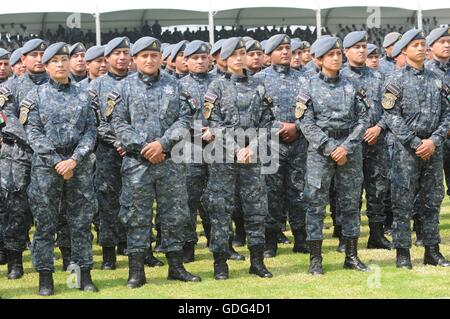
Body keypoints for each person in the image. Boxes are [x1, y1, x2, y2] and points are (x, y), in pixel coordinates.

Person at [111, 36, 201, 287]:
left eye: (154, 55)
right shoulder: (123, 88)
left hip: (169, 161)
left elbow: (185, 120)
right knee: (136, 215)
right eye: (143, 56)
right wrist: (144, 148)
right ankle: (137, 271)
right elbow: (118, 123)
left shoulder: (177, 86)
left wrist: (163, 144)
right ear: (134, 59)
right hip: (137, 163)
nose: (149, 60)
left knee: (174, 215)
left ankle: (176, 267)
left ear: (161, 57)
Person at [24, 42, 98, 296]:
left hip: (79, 168)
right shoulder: (35, 96)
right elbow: (33, 133)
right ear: (46, 66)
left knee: (80, 224)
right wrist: (57, 161)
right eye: (54, 61)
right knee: (45, 224)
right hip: (47, 169)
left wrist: (74, 160)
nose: (60, 64)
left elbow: (91, 132)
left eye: (63, 60)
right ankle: (46, 278)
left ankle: (83, 274)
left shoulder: (83, 94)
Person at [297, 36, 370, 275]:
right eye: (331, 55)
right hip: (321, 152)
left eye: (338, 54)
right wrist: (330, 147)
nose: (337, 58)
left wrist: (346, 148)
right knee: (315, 204)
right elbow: (305, 123)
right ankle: (315, 259)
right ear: (319, 59)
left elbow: (363, 118)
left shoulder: (353, 84)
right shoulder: (308, 85)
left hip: (349, 151)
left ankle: (351, 255)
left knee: (350, 203)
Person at [203, 37, 274, 280]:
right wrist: (235, 149)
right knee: (221, 210)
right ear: (224, 58)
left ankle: (257, 261)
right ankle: (220, 264)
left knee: (256, 209)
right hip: (223, 158)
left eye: (242, 53)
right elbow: (213, 123)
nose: (238, 58)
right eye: (233, 55)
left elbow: (267, 122)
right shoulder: (216, 87)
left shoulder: (259, 85)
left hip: (252, 158)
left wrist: (252, 148)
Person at [383, 29, 450, 269]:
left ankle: (432, 251)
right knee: (403, 203)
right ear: (404, 50)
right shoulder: (395, 80)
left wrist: (434, 140)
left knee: (432, 201)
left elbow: (447, 113)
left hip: (433, 147)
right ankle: (403, 253)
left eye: (423, 44)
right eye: (415, 45)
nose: (421, 48)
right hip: (405, 151)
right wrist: (415, 142)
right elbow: (391, 115)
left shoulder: (436, 79)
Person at [255, 34, 309, 256]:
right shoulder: (258, 80)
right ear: (269, 55)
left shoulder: (305, 79)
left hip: (299, 144)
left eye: (288, 48)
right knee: (271, 193)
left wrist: (296, 127)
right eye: (280, 49)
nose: (286, 52)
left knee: (299, 192)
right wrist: (279, 127)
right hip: (270, 145)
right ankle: (271, 240)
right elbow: (256, 114)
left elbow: (312, 111)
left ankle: (301, 238)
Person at [0, 39, 48, 280]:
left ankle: (53, 260)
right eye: (34, 55)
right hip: (18, 156)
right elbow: (7, 121)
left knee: (50, 209)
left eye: (42, 54)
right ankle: (15, 261)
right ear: (23, 60)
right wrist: (39, 141)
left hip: (49, 158)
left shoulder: (57, 85)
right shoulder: (9, 88)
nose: (39, 59)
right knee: (16, 209)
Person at [341, 31, 391, 250]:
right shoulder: (339, 77)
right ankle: (346, 237)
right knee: (349, 191)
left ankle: (377, 235)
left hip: (376, 142)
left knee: (377, 188)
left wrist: (379, 127)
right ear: (346, 52)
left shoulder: (379, 77)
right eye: (357, 47)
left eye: (364, 47)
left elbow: (391, 109)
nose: (362, 51)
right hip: (350, 143)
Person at [89, 37, 130, 270]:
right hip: (107, 153)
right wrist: (119, 142)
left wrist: (133, 144)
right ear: (108, 58)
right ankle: (108, 253)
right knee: (107, 202)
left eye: (126, 52)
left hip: (136, 152)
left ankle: (136, 248)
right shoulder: (97, 86)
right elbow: (97, 122)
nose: (122, 57)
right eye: (117, 53)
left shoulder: (138, 82)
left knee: (136, 201)